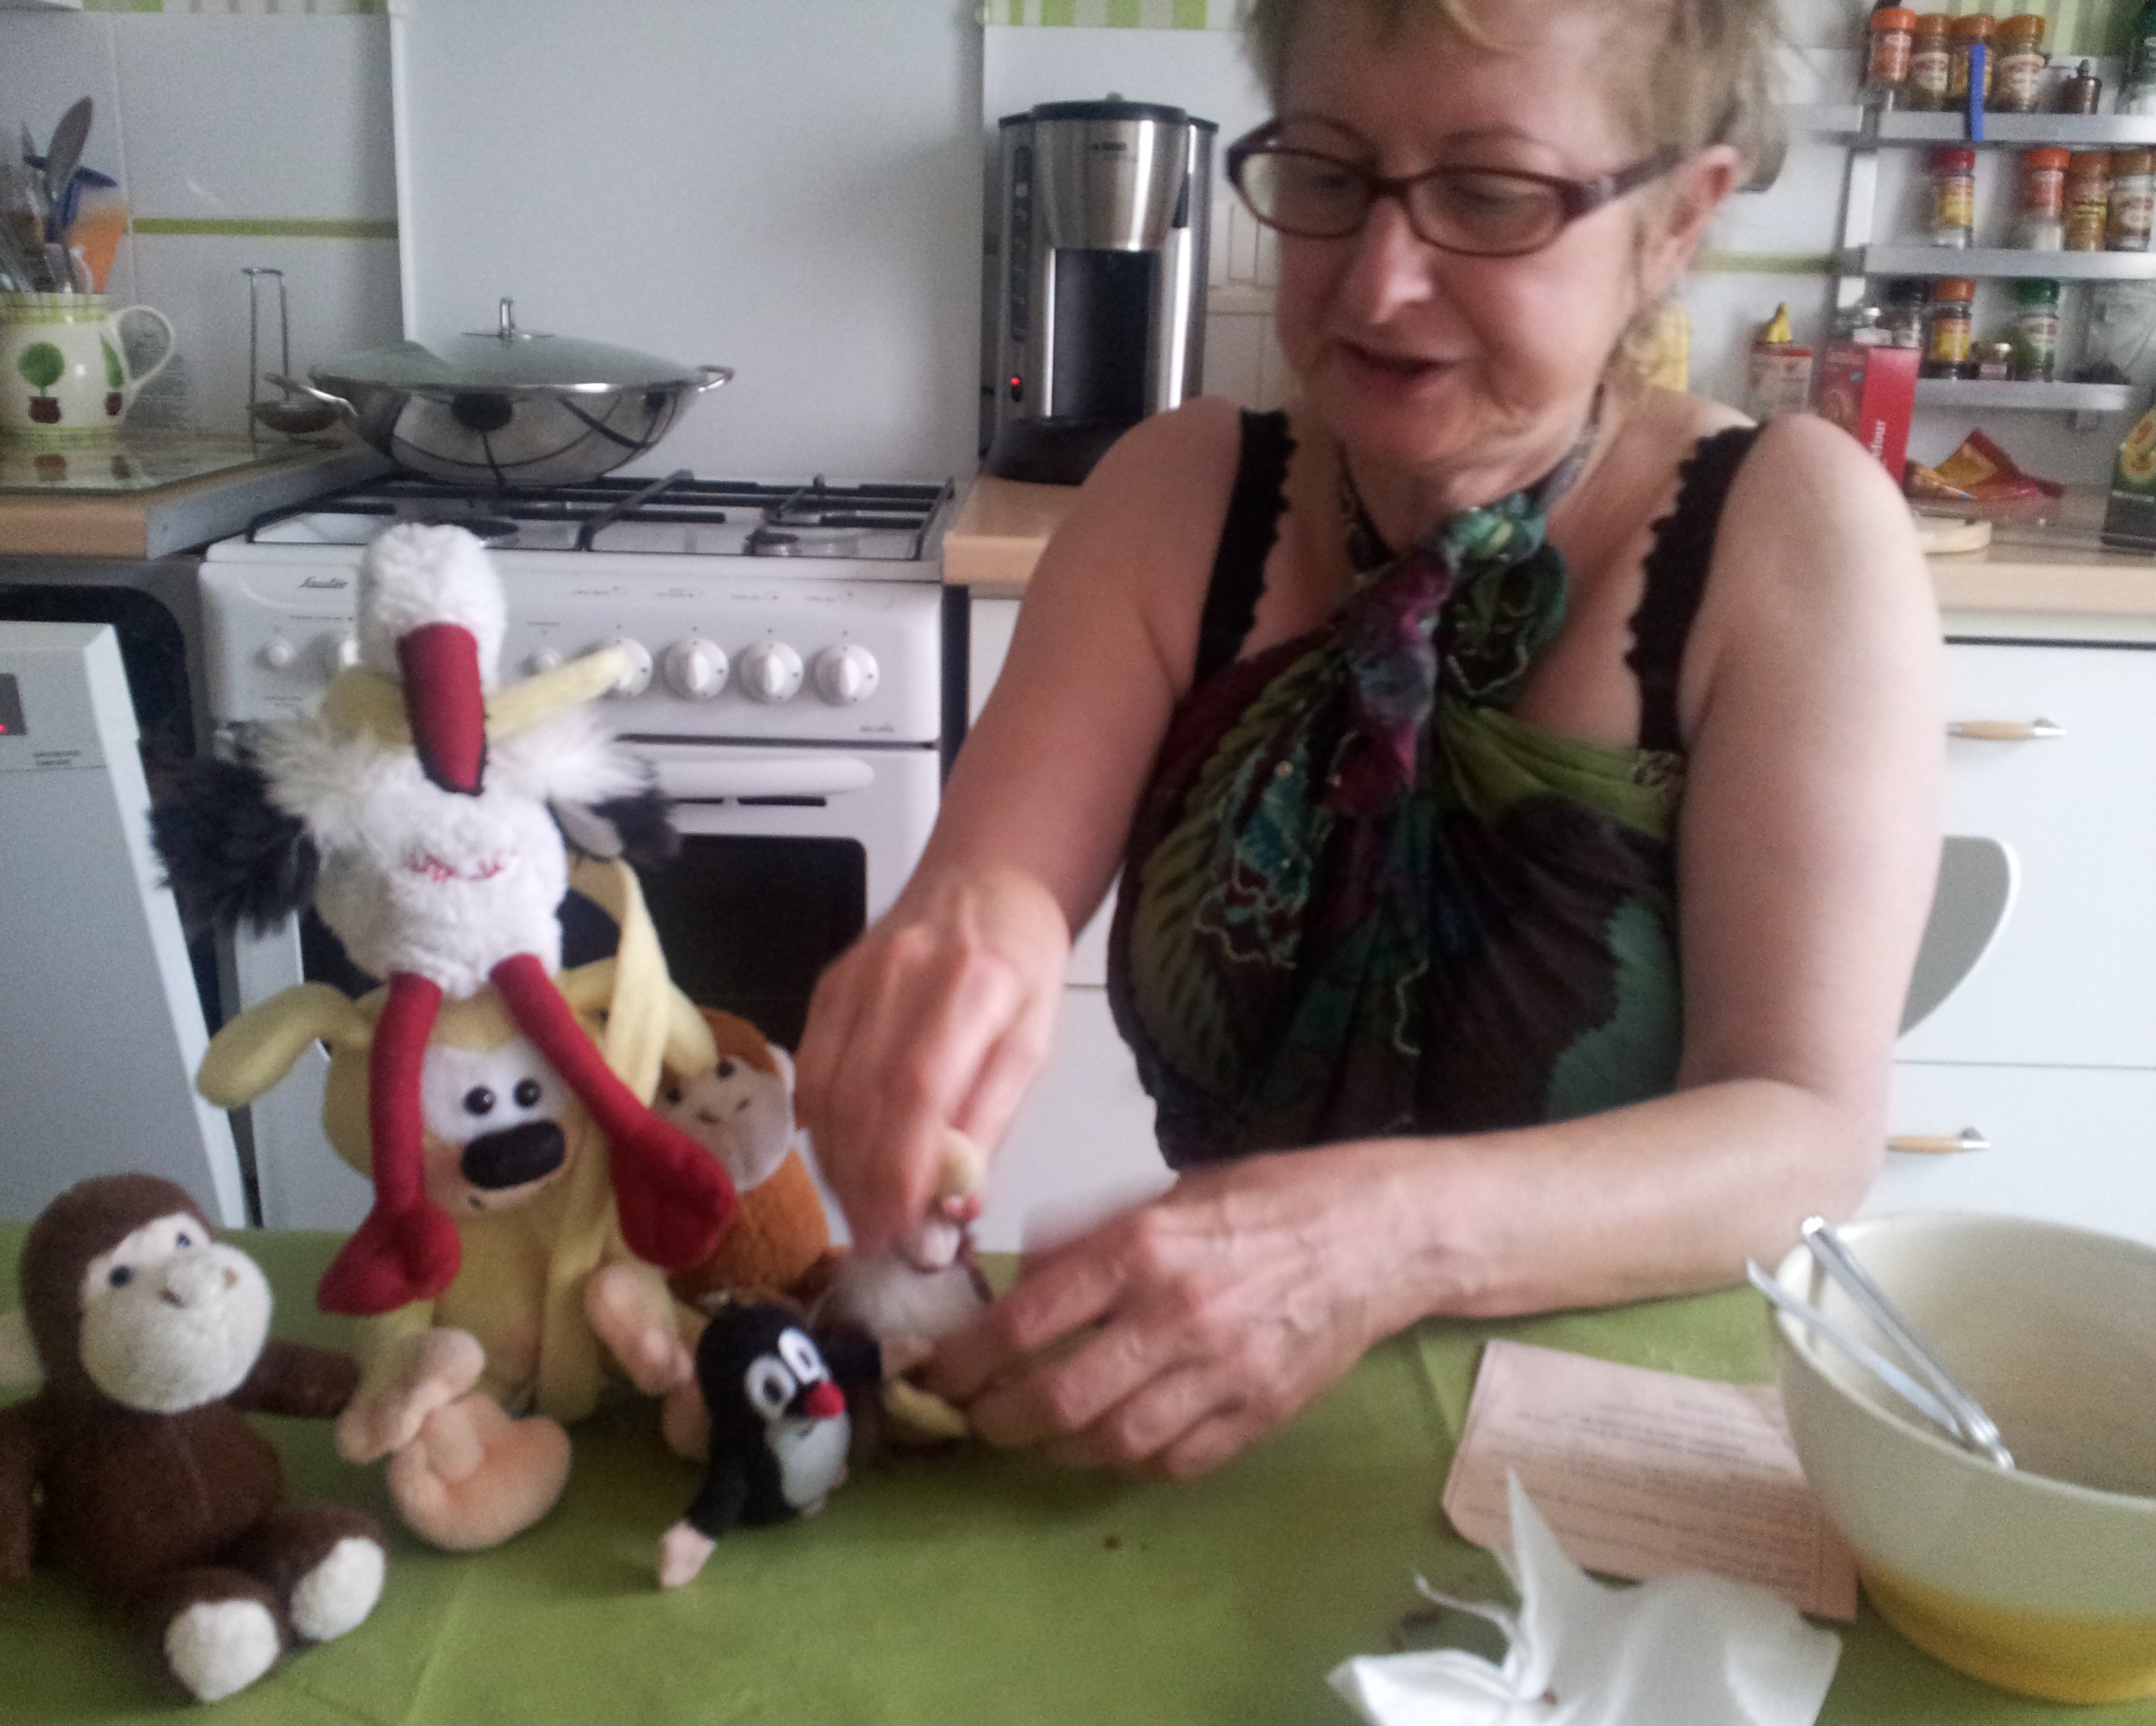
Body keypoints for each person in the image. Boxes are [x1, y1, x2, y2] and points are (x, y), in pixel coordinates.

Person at [793, 0, 1942, 1481]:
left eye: (1491, 194)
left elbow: (1804, 1131)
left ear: (1676, 217)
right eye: (1329, 175)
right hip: (1216, 1424)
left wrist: (1381, 1237)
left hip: (1627, 1463)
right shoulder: (1176, 498)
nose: (1381, 280)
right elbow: (997, 882)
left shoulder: (1791, 531)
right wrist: (963, 947)